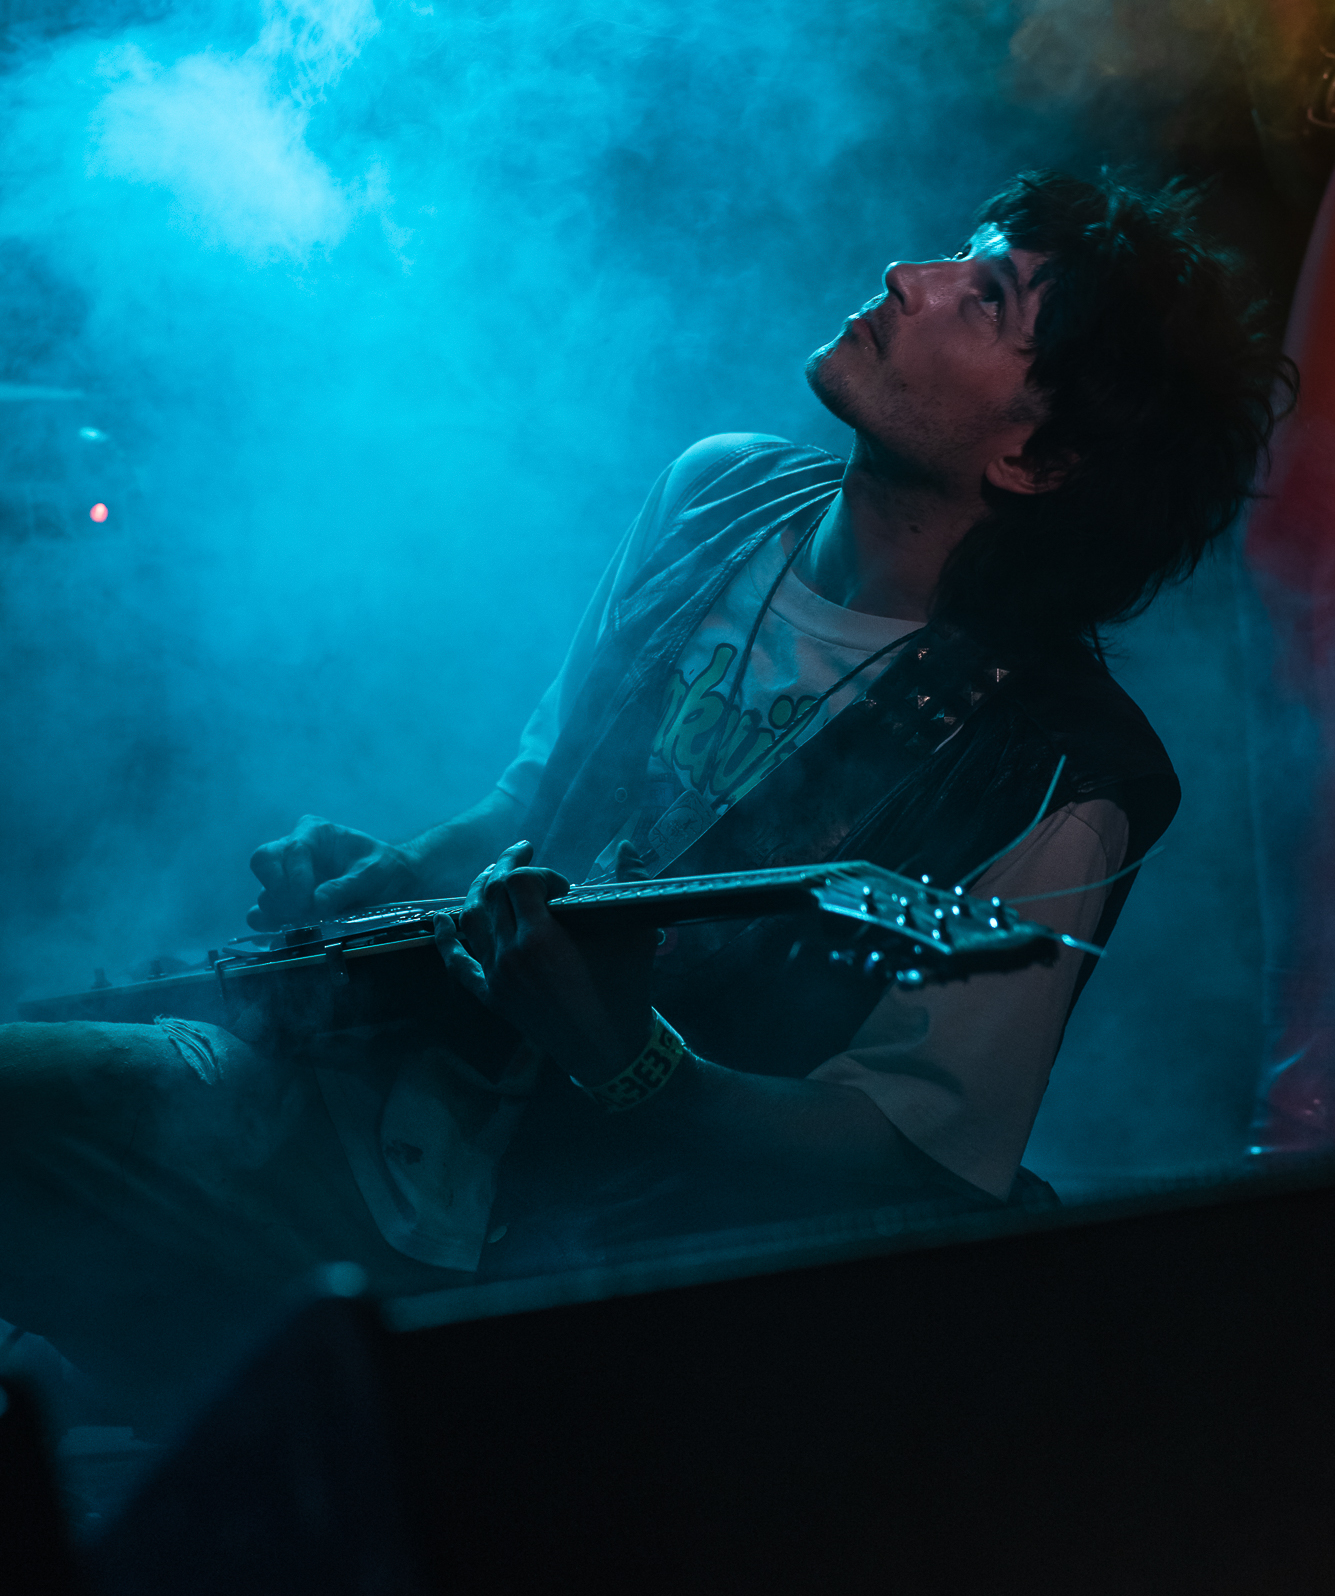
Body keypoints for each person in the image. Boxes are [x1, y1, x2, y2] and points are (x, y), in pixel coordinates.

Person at [0, 169, 1290, 1428]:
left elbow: (910, 1155)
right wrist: (395, 870)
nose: (913, 277)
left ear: (1039, 458)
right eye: (957, 254)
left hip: (566, 1281)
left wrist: (641, 1069)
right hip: (371, 1107)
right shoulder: (714, 494)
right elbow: (528, 802)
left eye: (988, 298)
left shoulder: (1062, 773)